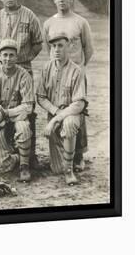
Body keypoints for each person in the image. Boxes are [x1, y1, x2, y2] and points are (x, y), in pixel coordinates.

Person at [0, 0, 43, 169]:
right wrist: (2, 59)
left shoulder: (29, 15)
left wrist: (25, 58)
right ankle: (5, 150)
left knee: (28, 112)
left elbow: (38, 42)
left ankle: (30, 155)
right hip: (3, 68)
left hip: (23, 67)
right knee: (1, 110)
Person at [43, 0, 94, 172]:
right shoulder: (48, 23)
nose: (62, 0)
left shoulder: (80, 22)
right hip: (57, 75)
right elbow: (49, 50)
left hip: (76, 73)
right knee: (57, 112)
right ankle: (60, 153)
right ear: (54, 0)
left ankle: (79, 155)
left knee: (77, 114)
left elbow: (88, 49)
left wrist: (78, 68)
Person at [36, 33, 87, 185]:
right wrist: (56, 113)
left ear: (69, 46)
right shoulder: (47, 68)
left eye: (60, 45)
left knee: (69, 123)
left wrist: (58, 118)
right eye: (53, 46)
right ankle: (68, 159)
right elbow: (40, 97)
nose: (56, 49)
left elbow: (79, 104)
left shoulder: (76, 70)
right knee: (56, 168)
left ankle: (69, 170)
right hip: (54, 114)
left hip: (71, 114)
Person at [0, 39, 33, 182]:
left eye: (12, 55)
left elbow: (28, 106)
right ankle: (19, 156)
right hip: (0, 118)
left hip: (17, 116)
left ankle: (24, 165)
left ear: (17, 57)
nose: (8, 59)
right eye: (5, 55)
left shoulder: (24, 75)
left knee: (23, 127)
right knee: (2, 167)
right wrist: (2, 114)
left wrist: (6, 113)